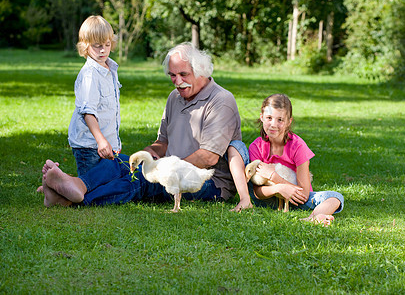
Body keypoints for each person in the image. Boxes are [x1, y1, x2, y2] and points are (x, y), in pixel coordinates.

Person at [38, 42, 252, 211]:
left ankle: (75, 201)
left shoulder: (221, 100)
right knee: (119, 162)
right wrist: (145, 154)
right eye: (172, 75)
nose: (177, 82)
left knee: (144, 179)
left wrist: (164, 168)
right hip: (173, 167)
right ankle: (77, 186)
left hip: (208, 181)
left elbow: (208, 158)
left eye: (183, 75)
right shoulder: (175, 97)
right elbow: (162, 143)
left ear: (201, 71)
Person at [248, 94, 344, 226]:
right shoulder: (256, 147)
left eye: (280, 120)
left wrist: (275, 178)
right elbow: (257, 192)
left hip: (296, 199)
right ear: (262, 117)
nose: (273, 124)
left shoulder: (298, 146)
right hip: (268, 198)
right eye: (269, 118)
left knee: (335, 197)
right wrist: (278, 189)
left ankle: (315, 217)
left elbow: (304, 194)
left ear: (289, 122)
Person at [68, 15, 122, 176]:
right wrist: (101, 140)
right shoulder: (90, 75)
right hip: (89, 146)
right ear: (85, 46)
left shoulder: (110, 68)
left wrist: (112, 142)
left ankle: (62, 184)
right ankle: (56, 186)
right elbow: (88, 112)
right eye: (97, 46)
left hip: (106, 144)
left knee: (109, 183)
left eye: (107, 44)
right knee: (92, 192)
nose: (103, 50)